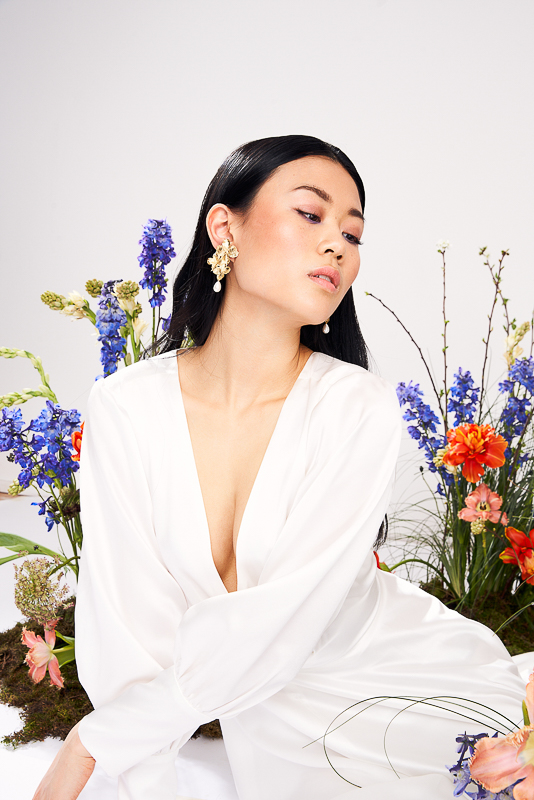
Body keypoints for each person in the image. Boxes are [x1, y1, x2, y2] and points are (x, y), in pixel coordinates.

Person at [32, 135, 525, 800]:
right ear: (225, 228)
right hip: (273, 733)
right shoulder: (126, 407)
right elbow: (129, 629)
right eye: (311, 215)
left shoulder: (356, 406)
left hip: (408, 689)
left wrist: (93, 741)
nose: (338, 246)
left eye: (352, 234)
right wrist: (136, 770)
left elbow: (282, 622)